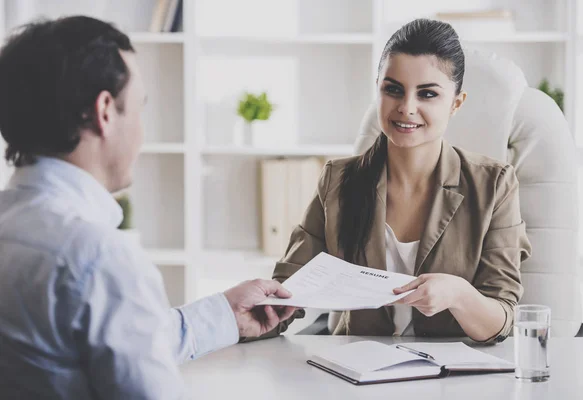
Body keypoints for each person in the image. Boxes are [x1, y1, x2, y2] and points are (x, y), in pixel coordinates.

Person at [0, 16, 294, 400]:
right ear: (105, 111)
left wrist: (225, 312)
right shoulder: (99, 260)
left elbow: (116, 341)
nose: (142, 131)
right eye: (139, 108)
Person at [270, 19, 532, 343]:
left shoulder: (495, 186)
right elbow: (285, 289)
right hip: (354, 376)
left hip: (450, 383)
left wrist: (459, 296)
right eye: (393, 89)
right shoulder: (337, 180)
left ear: (456, 103)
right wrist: (240, 318)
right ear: (377, 88)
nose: (407, 108)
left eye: (428, 94)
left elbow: (501, 321)